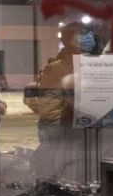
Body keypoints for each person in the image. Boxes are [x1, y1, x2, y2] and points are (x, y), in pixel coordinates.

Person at [24, 22, 103, 183]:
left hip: (100, 138)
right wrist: (65, 132)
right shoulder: (56, 69)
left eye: (88, 33)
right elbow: (50, 111)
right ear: (69, 39)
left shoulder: (103, 64)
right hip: (72, 142)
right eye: (81, 34)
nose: (88, 37)